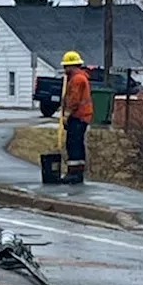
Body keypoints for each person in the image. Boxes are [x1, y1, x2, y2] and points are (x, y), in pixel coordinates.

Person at [60, 50, 92, 184]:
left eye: (65, 66)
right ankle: (77, 172)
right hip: (81, 116)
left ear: (71, 65)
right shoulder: (77, 77)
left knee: (73, 144)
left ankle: (74, 173)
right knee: (77, 143)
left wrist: (66, 116)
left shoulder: (77, 79)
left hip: (78, 116)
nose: (64, 69)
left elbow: (73, 100)